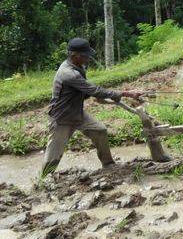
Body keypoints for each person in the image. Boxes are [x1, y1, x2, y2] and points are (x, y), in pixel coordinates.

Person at [40, 38, 143, 177]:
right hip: (62, 118)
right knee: (53, 156)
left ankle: (108, 164)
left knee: (100, 130)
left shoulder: (79, 67)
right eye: (85, 55)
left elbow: (85, 91)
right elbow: (93, 89)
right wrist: (125, 93)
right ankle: (43, 181)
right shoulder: (68, 73)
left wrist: (96, 95)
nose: (88, 58)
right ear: (74, 55)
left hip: (77, 113)